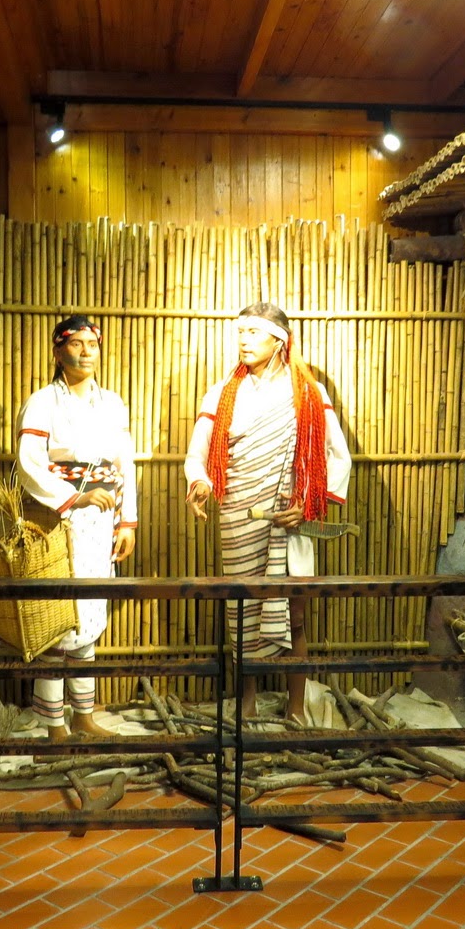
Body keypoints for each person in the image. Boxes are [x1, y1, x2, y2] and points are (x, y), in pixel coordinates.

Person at [184, 302, 351, 723]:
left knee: (296, 615)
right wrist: (200, 482)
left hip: (289, 519)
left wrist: (308, 503)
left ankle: (296, 708)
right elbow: (197, 454)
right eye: (240, 332)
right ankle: (247, 702)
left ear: (279, 340)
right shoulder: (222, 393)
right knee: (241, 611)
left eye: (253, 333)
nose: (243, 340)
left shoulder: (308, 393)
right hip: (239, 516)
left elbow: (338, 455)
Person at [17, 314, 137, 741]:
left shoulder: (112, 404)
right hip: (55, 521)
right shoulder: (42, 402)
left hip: (101, 523)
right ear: (58, 351)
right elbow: (29, 463)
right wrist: (74, 498)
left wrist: (126, 521)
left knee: (89, 614)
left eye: (93, 344)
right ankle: (54, 726)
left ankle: (83, 717)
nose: (86, 352)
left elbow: (125, 464)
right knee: (55, 619)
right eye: (76, 343)